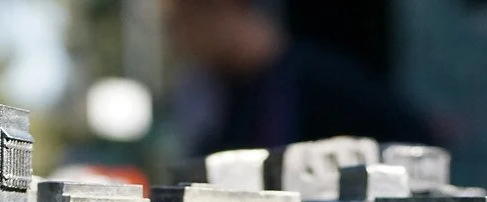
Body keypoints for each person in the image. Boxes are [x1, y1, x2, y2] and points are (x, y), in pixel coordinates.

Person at [165, 0, 437, 155]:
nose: (178, 40)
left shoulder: (322, 78)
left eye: (182, 22)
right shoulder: (230, 94)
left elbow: (415, 141)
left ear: (225, 9)